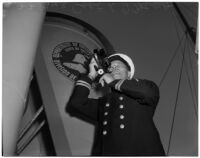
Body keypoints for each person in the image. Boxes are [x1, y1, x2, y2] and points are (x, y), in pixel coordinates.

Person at [66, 53, 166, 156]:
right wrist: (91, 75)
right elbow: (76, 103)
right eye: (111, 67)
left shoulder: (145, 88)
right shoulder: (103, 103)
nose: (114, 68)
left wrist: (113, 82)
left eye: (118, 65)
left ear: (129, 73)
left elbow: (147, 92)